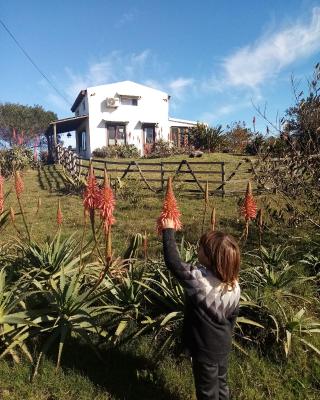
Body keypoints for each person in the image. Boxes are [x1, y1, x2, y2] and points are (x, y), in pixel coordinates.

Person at [161, 218, 241, 400]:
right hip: (223, 345)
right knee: (221, 384)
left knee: (206, 391)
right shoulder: (234, 285)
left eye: (202, 247)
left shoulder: (199, 282)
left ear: (211, 257)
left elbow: (173, 262)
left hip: (204, 349)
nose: (198, 248)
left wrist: (168, 231)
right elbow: (232, 318)